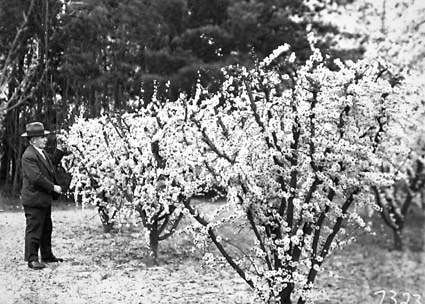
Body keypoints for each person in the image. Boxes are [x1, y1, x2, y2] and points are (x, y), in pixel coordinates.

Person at [21, 122, 65, 270]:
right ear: (33, 140)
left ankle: (47, 254)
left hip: (43, 199)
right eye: (42, 137)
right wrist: (53, 187)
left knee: (46, 228)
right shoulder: (28, 156)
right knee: (34, 228)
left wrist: (59, 151)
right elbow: (36, 178)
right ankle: (32, 259)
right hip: (34, 199)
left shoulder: (41, 153)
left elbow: (50, 165)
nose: (45, 140)